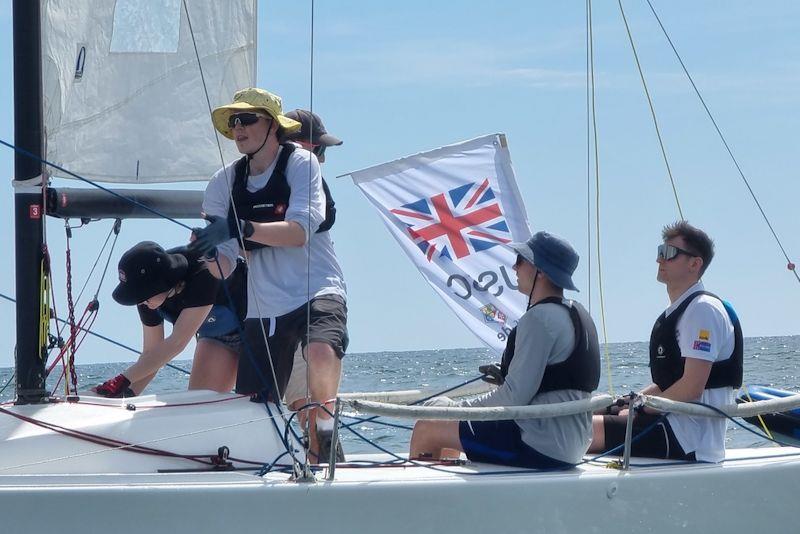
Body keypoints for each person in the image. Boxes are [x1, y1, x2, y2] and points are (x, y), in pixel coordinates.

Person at [191, 88, 348, 464]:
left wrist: (240, 228)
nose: (238, 128)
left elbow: (298, 232)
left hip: (317, 289)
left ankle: (324, 434)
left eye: (247, 119)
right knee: (254, 412)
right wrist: (208, 254)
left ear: (273, 126)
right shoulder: (222, 183)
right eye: (233, 122)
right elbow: (225, 265)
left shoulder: (301, 164)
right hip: (264, 310)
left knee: (320, 350)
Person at [409, 232, 601, 468]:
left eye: (521, 260)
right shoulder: (578, 315)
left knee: (428, 426)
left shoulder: (539, 319)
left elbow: (514, 396)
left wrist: (457, 409)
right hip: (572, 444)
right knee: (448, 420)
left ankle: (424, 504)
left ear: (540, 271)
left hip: (539, 444)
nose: (514, 266)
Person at [589, 221, 743, 463]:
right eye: (660, 252)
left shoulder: (702, 310)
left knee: (578, 432)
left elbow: (692, 387)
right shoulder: (681, 311)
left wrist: (640, 409)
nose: (660, 260)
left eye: (669, 254)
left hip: (690, 439)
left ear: (695, 263)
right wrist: (627, 401)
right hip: (672, 423)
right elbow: (668, 383)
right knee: (586, 414)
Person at [94, 241, 246, 397]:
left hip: (257, 331)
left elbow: (177, 342)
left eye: (142, 295)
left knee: (255, 400)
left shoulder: (203, 272)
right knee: (197, 405)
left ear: (160, 284)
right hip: (217, 338)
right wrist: (124, 394)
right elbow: (152, 353)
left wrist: (120, 380)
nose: (140, 302)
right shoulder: (146, 297)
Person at [281, 109, 344, 446]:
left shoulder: (312, 190)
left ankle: (328, 471)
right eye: (318, 150)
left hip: (312, 299)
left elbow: (323, 219)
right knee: (307, 406)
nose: (321, 159)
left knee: (315, 406)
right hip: (276, 302)